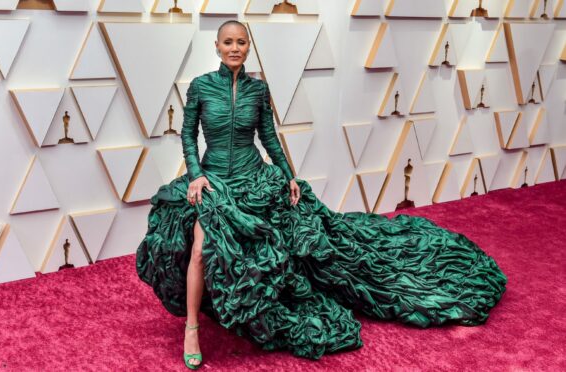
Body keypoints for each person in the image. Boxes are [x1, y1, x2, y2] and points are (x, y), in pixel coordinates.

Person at [135, 20, 507, 369]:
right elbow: (187, 136)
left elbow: (268, 137)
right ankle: (192, 330)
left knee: (294, 246)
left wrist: (289, 175)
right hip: (214, 182)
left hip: (255, 179)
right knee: (201, 248)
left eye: (241, 42)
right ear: (217, 47)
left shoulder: (258, 89)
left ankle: (266, 302)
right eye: (228, 42)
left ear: (249, 47)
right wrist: (197, 176)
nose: (235, 47)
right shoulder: (201, 86)